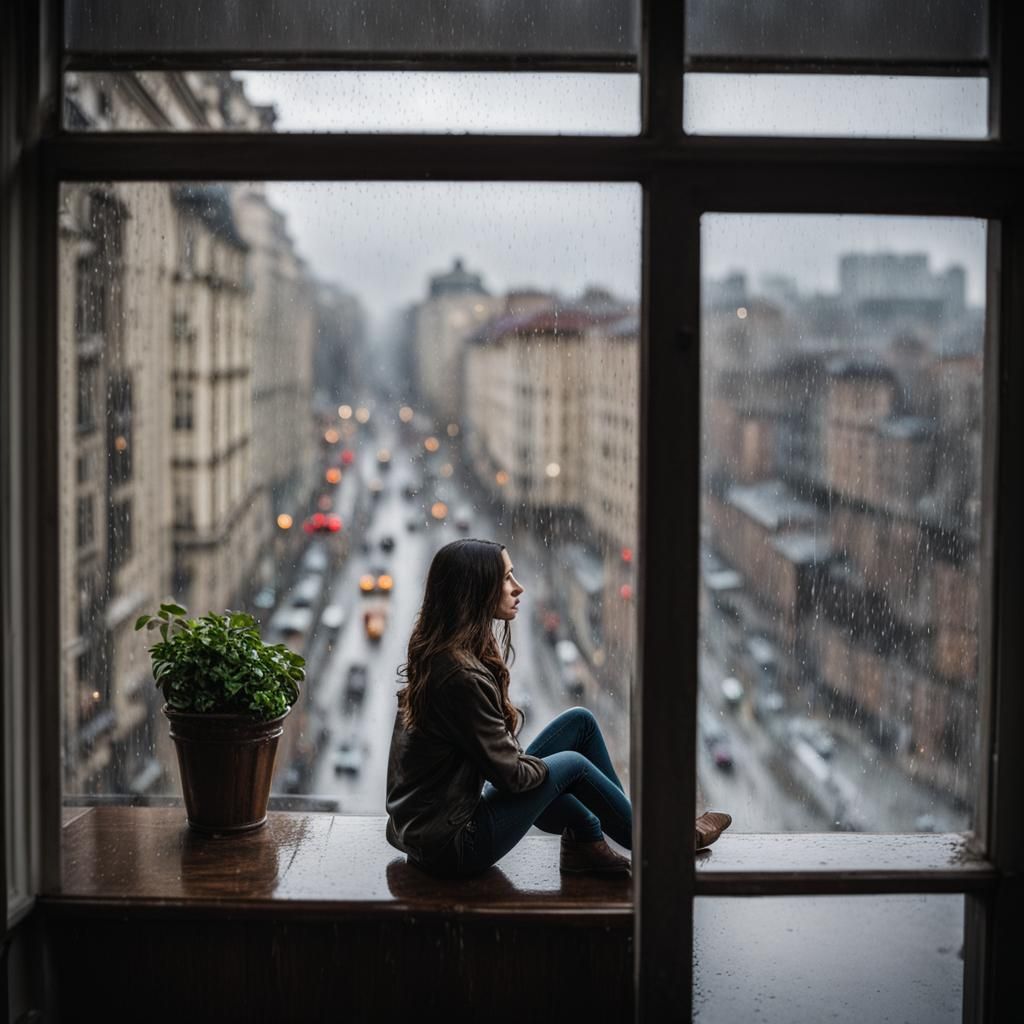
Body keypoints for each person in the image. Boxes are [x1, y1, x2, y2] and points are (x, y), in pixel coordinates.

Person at [384, 538, 732, 878]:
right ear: (474, 591)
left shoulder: (442, 656)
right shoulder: (460, 676)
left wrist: (549, 781)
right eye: (505, 578)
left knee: (580, 723)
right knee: (573, 765)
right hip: (455, 846)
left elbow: (496, 769)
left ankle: (589, 836)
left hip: (426, 833)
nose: (518, 587)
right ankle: (663, 842)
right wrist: (555, 775)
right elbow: (513, 777)